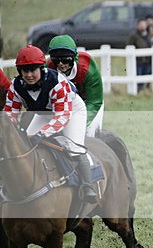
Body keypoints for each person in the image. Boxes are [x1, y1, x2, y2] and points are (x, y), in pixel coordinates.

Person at [5, 45, 97, 202]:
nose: (29, 75)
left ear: (41, 68)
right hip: (45, 114)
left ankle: (87, 186)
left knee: (73, 147)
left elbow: (62, 116)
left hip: (71, 111)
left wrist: (42, 133)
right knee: (26, 145)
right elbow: (10, 114)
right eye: (24, 71)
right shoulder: (16, 86)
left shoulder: (56, 82)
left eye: (33, 70)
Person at [46, 35, 104, 137]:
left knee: (86, 135)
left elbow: (94, 102)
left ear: (73, 57)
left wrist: (77, 123)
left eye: (65, 59)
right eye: (56, 60)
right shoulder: (49, 68)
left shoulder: (89, 68)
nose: (61, 64)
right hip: (62, 105)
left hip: (89, 104)